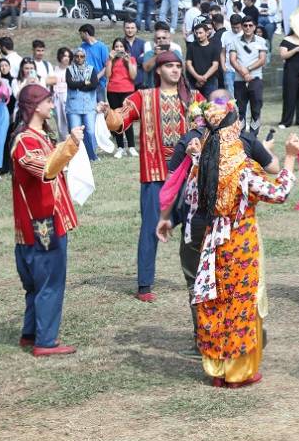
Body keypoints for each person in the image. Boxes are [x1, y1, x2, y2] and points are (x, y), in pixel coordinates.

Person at [157, 105, 299, 388]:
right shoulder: (242, 167)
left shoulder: (203, 161)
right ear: (234, 128)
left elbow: (193, 199)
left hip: (211, 240)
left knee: (216, 300)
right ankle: (238, 371)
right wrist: (291, 160)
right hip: (240, 239)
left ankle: (217, 369)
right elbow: (279, 192)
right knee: (240, 302)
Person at [100, 51, 204, 301]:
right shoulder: (143, 97)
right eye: (169, 66)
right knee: (149, 228)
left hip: (189, 173)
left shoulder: (193, 98)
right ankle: (144, 285)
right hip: (155, 174)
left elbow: (209, 122)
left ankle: (200, 277)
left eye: (178, 66)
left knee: (195, 227)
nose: (175, 70)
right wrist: (107, 114)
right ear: (158, 70)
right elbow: (120, 120)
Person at [10, 85, 84, 356]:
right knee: (48, 281)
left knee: (37, 284)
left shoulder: (39, 136)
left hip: (44, 221)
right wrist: (71, 144)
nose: (52, 105)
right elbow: (45, 169)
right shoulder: (25, 141)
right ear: (35, 105)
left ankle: (30, 333)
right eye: (47, 100)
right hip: (42, 224)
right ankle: (46, 341)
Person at [228, 17, 268, 134]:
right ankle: (240, 136)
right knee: (240, 109)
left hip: (255, 78)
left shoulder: (261, 41)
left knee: (256, 108)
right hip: (239, 79)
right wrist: (243, 73)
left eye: (250, 25)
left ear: (255, 27)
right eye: (245, 25)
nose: (248, 28)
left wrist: (248, 69)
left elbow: (262, 60)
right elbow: (232, 60)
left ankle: (253, 136)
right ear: (242, 26)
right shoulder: (235, 41)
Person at [65, 48, 98, 161]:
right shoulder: (69, 69)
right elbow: (70, 84)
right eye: (77, 56)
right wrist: (84, 82)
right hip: (74, 107)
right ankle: (76, 157)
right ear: (74, 57)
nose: (79, 58)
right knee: (75, 133)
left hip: (89, 106)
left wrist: (78, 85)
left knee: (90, 131)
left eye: (82, 56)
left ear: (85, 57)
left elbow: (94, 84)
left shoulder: (91, 69)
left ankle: (92, 155)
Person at [106, 38, 138, 157]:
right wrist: (110, 60)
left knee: (127, 118)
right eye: (116, 47)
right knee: (116, 119)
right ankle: (120, 147)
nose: (119, 49)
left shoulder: (131, 59)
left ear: (125, 48)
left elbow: (133, 76)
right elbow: (108, 75)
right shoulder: (111, 60)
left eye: (121, 47)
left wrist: (128, 61)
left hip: (127, 91)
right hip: (113, 91)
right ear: (113, 48)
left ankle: (131, 146)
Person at [278, 29, 299, 127]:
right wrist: (296, 49)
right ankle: (286, 121)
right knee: (289, 95)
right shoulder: (286, 40)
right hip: (290, 70)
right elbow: (283, 55)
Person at [186, 23, 221, 98]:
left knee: (211, 105)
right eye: (196, 33)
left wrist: (203, 78)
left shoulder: (214, 47)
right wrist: (197, 77)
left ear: (207, 33)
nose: (198, 35)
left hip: (210, 81)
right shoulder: (191, 46)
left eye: (200, 33)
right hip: (193, 81)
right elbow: (188, 64)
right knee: (194, 105)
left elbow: (215, 66)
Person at [78, 24, 109, 102]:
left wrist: (97, 77)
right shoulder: (82, 47)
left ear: (86, 33)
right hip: (86, 82)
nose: (80, 36)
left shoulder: (102, 47)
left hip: (99, 84)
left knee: (101, 109)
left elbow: (107, 66)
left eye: (81, 34)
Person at [121, 19, 146, 89]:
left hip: (141, 82)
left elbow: (146, 60)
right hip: (125, 82)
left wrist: (137, 60)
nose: (130, 30)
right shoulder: (120, 44)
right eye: (127, 28)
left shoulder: (143, 43)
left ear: (136, 29)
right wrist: (139, 59)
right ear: (124, 29)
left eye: (132, 28)